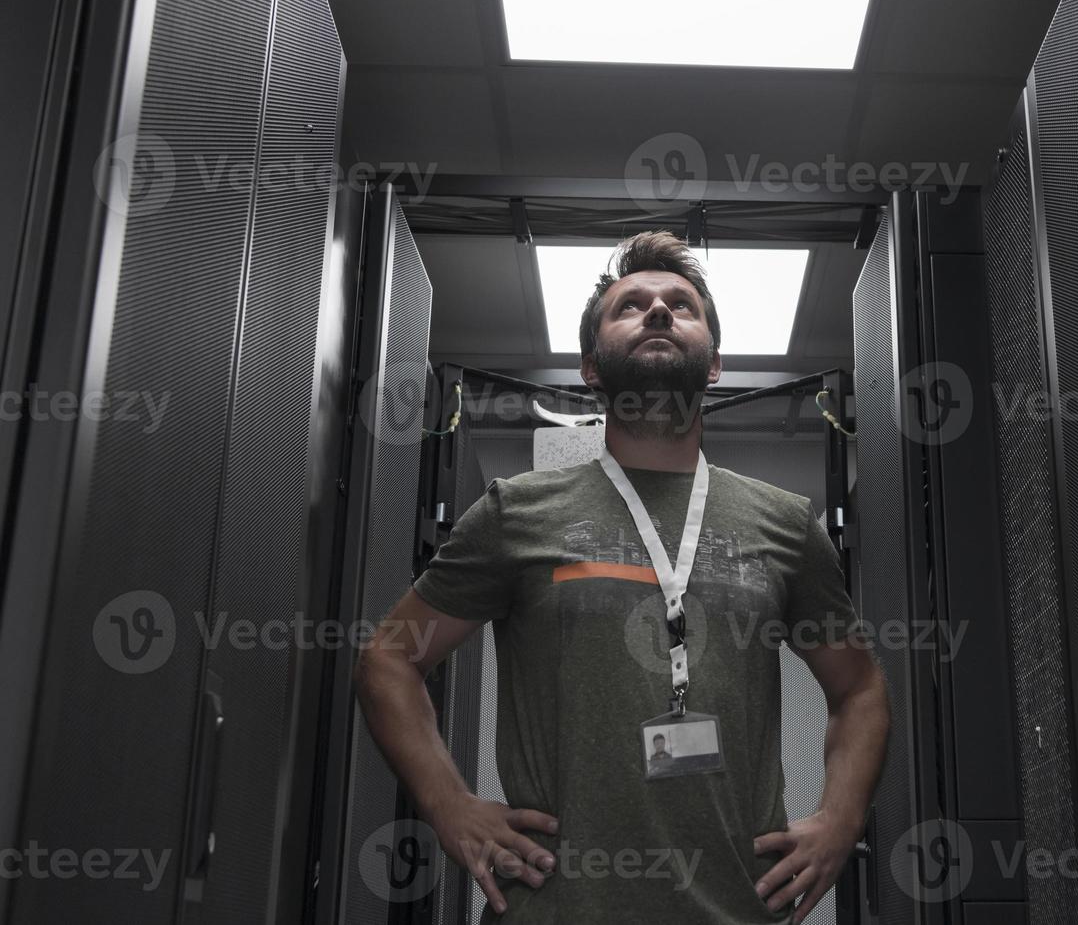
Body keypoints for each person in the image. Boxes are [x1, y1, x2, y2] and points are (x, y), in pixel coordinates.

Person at [354, 231, 890, 924]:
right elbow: (389, 657)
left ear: (717, 363)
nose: (660, 312)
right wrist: (450, 806)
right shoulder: (516, 511)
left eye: (681, 305)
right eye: (631, 305)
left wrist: (841, 822)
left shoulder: (786, 523)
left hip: (735, 908)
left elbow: (861, 688)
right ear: (590, 368)